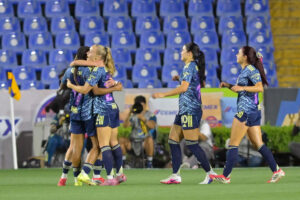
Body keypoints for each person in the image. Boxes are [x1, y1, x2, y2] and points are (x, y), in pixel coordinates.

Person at [209, 46, 285, 184]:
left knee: (233, 144)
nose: (236, 54)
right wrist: (228, 85)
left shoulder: (250, 70)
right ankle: (277, 170)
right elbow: (241, 91)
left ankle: (226, 176)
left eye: (238, 53)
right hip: (253, 112)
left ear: (245, 57)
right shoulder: (245, 71)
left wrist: (242, 87)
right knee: (259, 144)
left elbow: (260, 87)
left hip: (245, 111)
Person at [152, 42, 216, 185]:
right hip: (184, 110)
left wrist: (163, 95)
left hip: (190, 109)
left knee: (192, 144)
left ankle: (210, 173)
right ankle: (175, 175)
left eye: (182, 50)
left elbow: (184, 88)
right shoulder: (192, 67)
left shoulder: (189, 66)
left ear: (189, 53)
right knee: (173, 140)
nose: (180, 53)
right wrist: (180, 79)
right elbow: (194, 85)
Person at [67, 44, 125, 186]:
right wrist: (117, 86)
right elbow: (76, 62)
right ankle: (120, 174)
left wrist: (71, 86)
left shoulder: (97, 70)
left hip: (102, 109)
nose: (87, 53)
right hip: (112, 107)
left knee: (102, 145)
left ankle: (110, 178)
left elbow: (92, 91)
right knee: (114, 143)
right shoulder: (105, 67)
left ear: (97, 57)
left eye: (90, 52)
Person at [120, 95, 157, 168]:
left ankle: (149, 163)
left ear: (145, 105)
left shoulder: (150, 115)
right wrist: (130, 113)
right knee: (121, 140)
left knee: (150, 139)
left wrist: (143, 118)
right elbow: (125, 125)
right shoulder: (133, 115)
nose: (141, 107)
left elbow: (152, 126)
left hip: (144, 141)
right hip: (133, 142)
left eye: (142, 105)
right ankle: (123, 163)